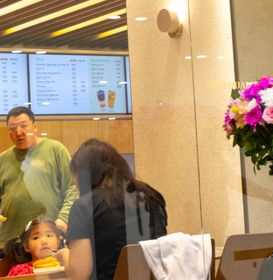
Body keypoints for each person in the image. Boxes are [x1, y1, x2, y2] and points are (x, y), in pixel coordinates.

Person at [65, 139, 168, 280]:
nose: (74, 181)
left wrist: (64, 255)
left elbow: (79, 274)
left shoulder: (84, 206)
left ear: (83, 175)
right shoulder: (151, 195)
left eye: (75, 175)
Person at [0, 106, 78, 242]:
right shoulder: (3, 159)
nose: (19, 132)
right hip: (10, 240)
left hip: (48, 238)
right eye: (13, 128)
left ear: (35, 126)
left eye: (24, 126)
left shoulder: (56, 150)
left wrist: (64, 218)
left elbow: (73, 187)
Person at [4, 217, 69, 276]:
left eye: (49, 235)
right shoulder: (19, 271)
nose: (44, 241)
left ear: (58, 242)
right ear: (26, 246)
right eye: (36, 237)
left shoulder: (65, 266)